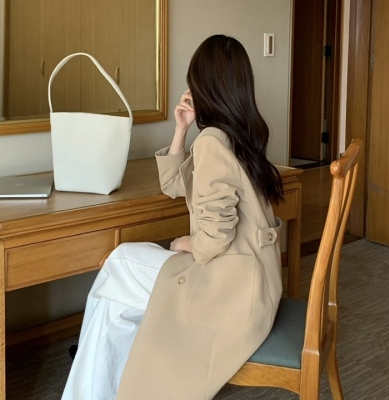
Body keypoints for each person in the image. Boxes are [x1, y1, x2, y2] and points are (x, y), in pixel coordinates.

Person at [61, 34, 284, 400]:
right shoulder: (241, 135)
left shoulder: (213, 142)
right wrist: (181, 129)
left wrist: (183, 243)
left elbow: (213, 239)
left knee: (117, 267)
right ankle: (101, 376)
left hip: (231, 290)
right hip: (257, 284)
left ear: (203, 85)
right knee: (116, 292)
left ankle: (91, 382)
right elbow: (176, 186)